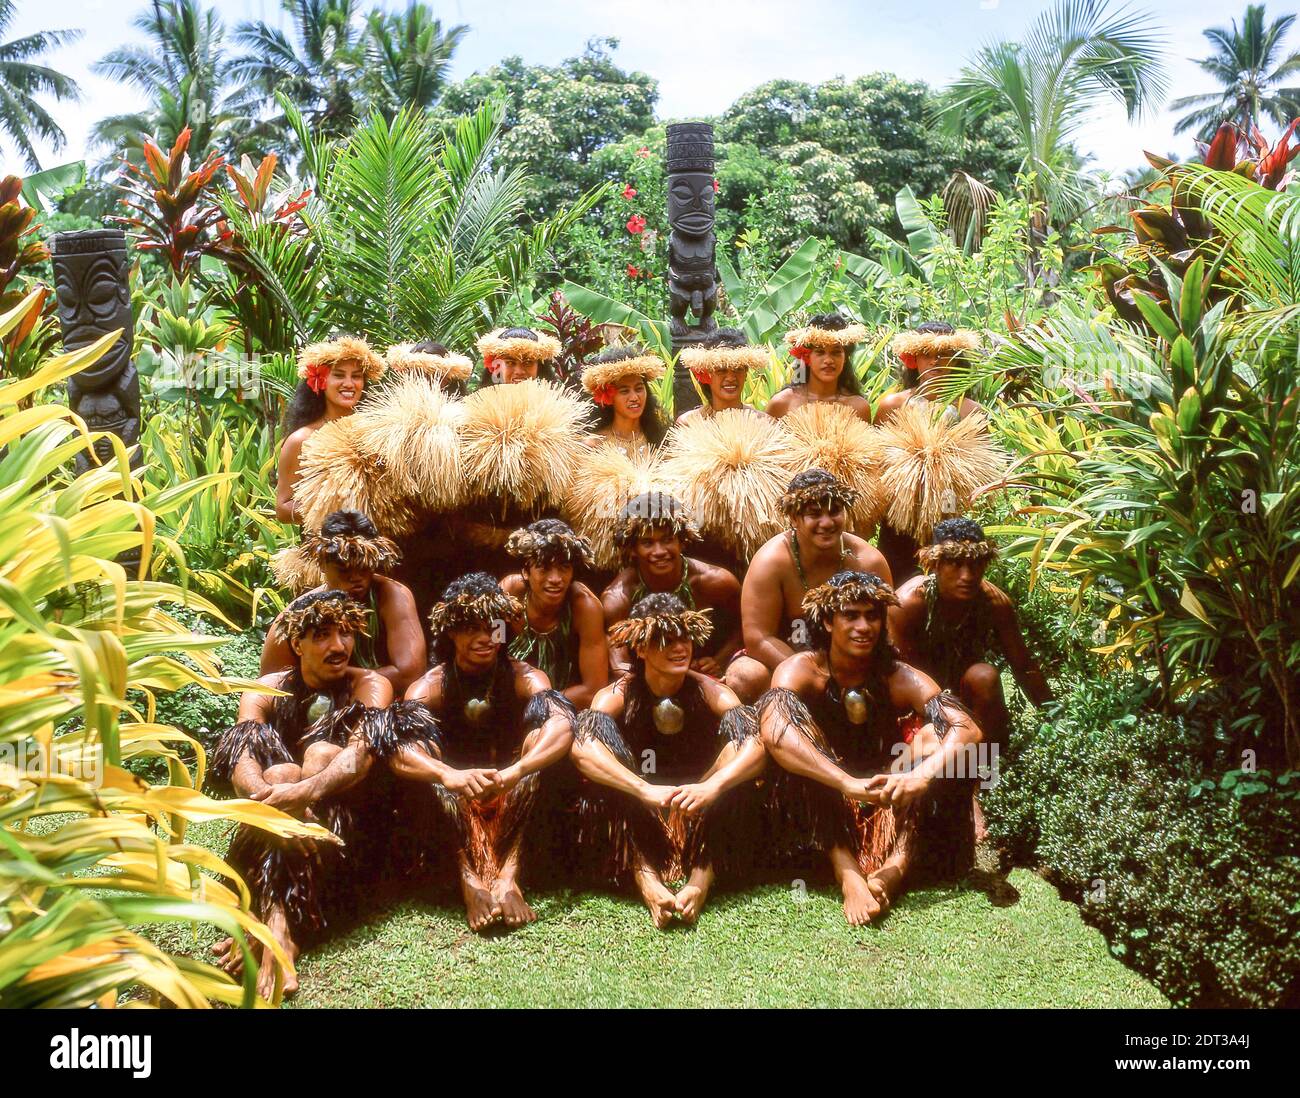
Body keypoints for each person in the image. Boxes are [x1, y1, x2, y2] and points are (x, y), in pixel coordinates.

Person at [756, 571, 984, 925]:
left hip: (887, 795)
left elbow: (966, 727)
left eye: (872, 615)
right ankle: (847, 871)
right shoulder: (800, 670)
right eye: (851, 615)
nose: (864, 626)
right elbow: (774, 732)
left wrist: (920, 776)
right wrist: (845, 782)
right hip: (825, 798)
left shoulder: (897, 676)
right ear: (829, 621)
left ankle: (895, 867)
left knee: (937, 742)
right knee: (798, 746)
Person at [210, 590, 393, 999]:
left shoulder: (370, 686)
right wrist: (275, 807)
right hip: (280, 829)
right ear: (297, 644)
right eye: (324, 634)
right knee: (278, 770)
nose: (339, 645)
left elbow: (358, 760)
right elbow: (241, 753)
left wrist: (299, 799)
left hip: (343, 837)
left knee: (318, 755)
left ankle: (268, 923)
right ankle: (279, 927)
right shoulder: (267, 688)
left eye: (346, 633)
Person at [374, 573, 577, 932]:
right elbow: (396, 749)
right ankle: (469, 881)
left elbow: (563, 726)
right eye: (471, 628)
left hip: (512, 797)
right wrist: (446, 774)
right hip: (456, 804)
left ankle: (509, 876)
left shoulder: (525, 677)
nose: (484, 638)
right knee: (423, 763)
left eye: (492, 628)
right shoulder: (429, 687)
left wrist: (517, 770)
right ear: (451, 632)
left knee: (540, 752)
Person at [571, 593, 766, 926]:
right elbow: (581, 749)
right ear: (641, 648)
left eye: (685, 638)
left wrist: (713, 786)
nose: (680, 648)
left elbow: (756, 746)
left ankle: (699, 883)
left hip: (699, 804)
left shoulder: (711, 691)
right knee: (603, 789)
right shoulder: (617, 695)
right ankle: (649, 884)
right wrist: (642, 790)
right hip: (642, 806)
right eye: (666, 640)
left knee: (737, 776)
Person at [889, 517, 1052, 765]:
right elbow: (893, 671)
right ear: (935, 565)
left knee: (983, 675)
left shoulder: (994, 603)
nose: (967, 575)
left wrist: (1055, 716)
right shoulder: (908, 604)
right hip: (914, 699)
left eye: (975, 564)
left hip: (965, 698)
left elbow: (1024, 666)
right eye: (955, 564)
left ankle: (986, 767)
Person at [740, 469, 893, 685]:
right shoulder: (771, 562)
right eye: (814, 514)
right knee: (746, 675)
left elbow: (887, 632)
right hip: (786, 664)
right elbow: (759, 639)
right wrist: (812, 675)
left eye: (835, 511)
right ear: (794, 518)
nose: (827, 523)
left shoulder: (868, 562)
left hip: (854, 666)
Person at [601, 492, 751, 692]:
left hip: (712, 675)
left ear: (682, 541)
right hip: (648, 683)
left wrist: (719, 660)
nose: (660, 551)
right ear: (633, 549)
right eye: (647, 543)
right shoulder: (618, 599)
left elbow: (746, 626)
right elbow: (620, 667)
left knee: (748, 677)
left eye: (667, 540)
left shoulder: (715, 581)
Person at [265, 510, 426, 694]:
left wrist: (330, 677)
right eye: (344, 570)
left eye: (364, 568)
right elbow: (270, 687)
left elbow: (409, 674)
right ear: (322, 564)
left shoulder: (393, 596)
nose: (357, 578)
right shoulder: (298, 615)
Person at [501, 518, 609, 709]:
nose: (555, 579)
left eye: (564, 568)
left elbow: (593, 689)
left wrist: (544, 705)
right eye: (544, 568)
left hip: (568, 708)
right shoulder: (507, 595)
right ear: (526, 571)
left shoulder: (586, 608)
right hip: (511, 701)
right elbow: (493, 649)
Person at [276, 336, 385, 524]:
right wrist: (337, 510)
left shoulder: (378, 433)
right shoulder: (302, 440)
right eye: (339, 375)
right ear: (320, 380)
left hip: (380, 546)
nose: (349, 384)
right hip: (325, 548)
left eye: (356, 376)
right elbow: (282, 509)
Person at [765, 313, 872, 423]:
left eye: (836, 352)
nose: (828, 360)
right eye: (820, 352)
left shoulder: (858, 407)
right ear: (806, 356)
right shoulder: (782, 403)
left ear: (845, 357)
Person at [874, 321, 983, 424]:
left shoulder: (972, 411)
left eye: (943, 354)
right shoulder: (892, 405)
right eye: (926, 354)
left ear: (955, 360)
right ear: (914, 359)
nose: (934, 361)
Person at [581, 344, 669, 457]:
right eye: (624, 391)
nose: (634, 397)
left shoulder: (661, 441)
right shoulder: (594, 446)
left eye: (639, 389)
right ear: (608, 397)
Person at [675, 328, 767, 425]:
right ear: (706, 374)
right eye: (721, 370)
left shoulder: (764, 422)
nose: (731, 378)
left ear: (746, 373)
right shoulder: (688, 423)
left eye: (738, 369)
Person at [475, 326, 562, 385]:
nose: (519, 371)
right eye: (509, 362)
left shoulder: (556, 406)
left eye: (528, 362)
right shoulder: (479, 407)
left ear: (539, 366)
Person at [384, 340, 474, 396]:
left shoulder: (466, 412)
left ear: (447, 378)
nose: (420, 380)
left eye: (428, 374)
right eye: (413, 373)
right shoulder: (400, 408)